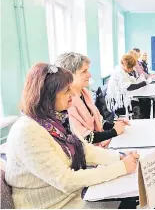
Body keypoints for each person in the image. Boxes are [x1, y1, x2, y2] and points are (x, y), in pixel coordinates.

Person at [5, 63, 139, 209]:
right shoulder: (27, 132)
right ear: (47, 95)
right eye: (66, 90)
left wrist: (119, 157)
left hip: (71, 196)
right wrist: (120, 168)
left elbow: (84, 149)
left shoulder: (57, 118)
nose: (73, 94)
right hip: (52, 205)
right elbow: (66, 181)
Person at [55, 52, 129, 148]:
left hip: (96, 147)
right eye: (84, 71)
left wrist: (114, 124)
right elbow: (83, 138)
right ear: (69, 75)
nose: (89, 75)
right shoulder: (65, 103)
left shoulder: (84, 92)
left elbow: (97, 120)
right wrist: (114, 131)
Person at [106, 54, 152, 119]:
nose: (132, 69)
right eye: (131, 67)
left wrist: (140, 81)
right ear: (126, 65)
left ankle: (146, 120)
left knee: (146, 100)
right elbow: (129, 87)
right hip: (118, 103)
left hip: (123, 97)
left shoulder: (123, 71)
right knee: (144, 102)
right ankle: (143, 121)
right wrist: (145, 83)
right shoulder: (119, 72)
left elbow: (131, 81)